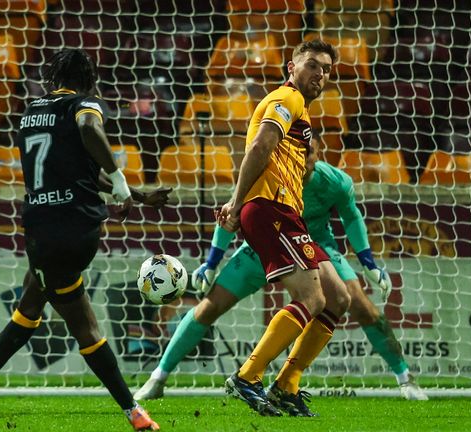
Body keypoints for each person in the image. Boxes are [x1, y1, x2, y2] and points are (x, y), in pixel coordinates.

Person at [0, 49, 167, 432]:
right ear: (88, 79)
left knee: (85, 328)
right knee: (31, 301)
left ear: (53, 78)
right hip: (71, 229)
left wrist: (123, 187)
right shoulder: (84, 104)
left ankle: (134, 412)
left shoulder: (32, 111)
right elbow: (83, 154)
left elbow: (84, 137)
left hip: (49, 229)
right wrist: (126, 188)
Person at [134, 156, 428, 410]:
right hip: (263, 247)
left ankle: (404, 378)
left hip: (316, 247)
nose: (306, 156)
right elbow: (232, 213)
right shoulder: (266, 175)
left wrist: (368, 262)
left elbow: (352, 217)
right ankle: (158, 377)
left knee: (357, 304)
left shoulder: (335, 182)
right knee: (210, 306)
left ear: (316, 153)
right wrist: (212, 262)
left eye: (311, 151)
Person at [214, 38, 351, 417]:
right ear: (292, 67)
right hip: (269, 208)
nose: (319, 74)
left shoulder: (301, 113)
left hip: (287, 211)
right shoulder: (286, 98)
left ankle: (286, 385)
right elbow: (259, 146)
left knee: (338, 298)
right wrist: (237, 201)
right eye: (312, 64)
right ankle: (248, 376)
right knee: (312, 299)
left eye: (326, 69)